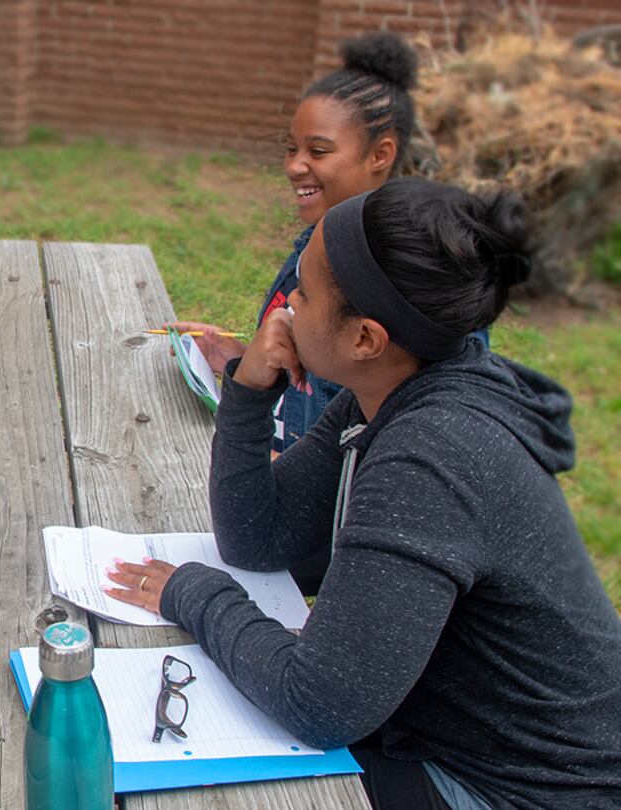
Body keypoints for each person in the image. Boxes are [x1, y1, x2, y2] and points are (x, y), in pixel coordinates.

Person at [105, 179, 621, 809]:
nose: (287, 303)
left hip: (526, 790)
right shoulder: (390, 391)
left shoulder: (431, 456)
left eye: (304, 290)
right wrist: (249, 392)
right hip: (445, 736)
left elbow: (318, 705)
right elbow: (258, 539)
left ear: (365, 339)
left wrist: (195, 593)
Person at [175, 32, 421, 455]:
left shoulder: (394, 281)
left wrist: (277, 466)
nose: (293, 166)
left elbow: (377, 439)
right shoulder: (316, 245)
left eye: (318, 151)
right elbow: (307, 377)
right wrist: (242, 361)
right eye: (291, 149)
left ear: (380, 155)